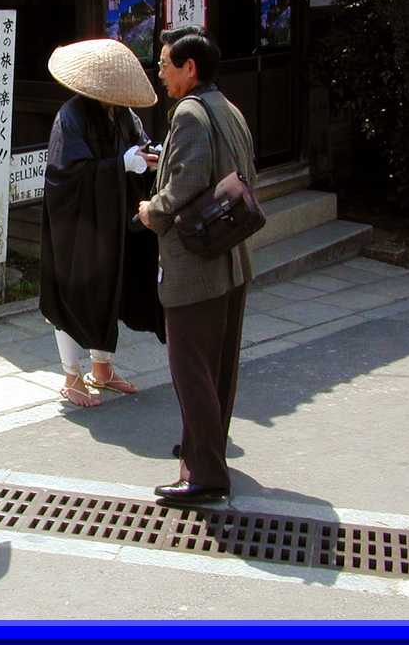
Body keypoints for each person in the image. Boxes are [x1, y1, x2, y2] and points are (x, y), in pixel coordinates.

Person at [137, 25, 256, 503]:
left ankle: (205, 475)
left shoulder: (188, 113)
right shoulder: (227, 107)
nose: (160, 73)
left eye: (166, 64)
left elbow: (184, 185)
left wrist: (152, 210)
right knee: (218, 365)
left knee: (192, 368)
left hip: (197, 264)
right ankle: (205, 447)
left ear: (190, 68)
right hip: (232, 258)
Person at [41, 38, 166, 407]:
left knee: (111, 290)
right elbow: (66, 177)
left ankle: (103, 369)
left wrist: (148, 157)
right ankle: (71, 375)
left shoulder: (125, 114)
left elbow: (137, 144)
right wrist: (119, 166)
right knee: (74, 294)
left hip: (114, 220)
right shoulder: (70, 117)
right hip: (77, 226)